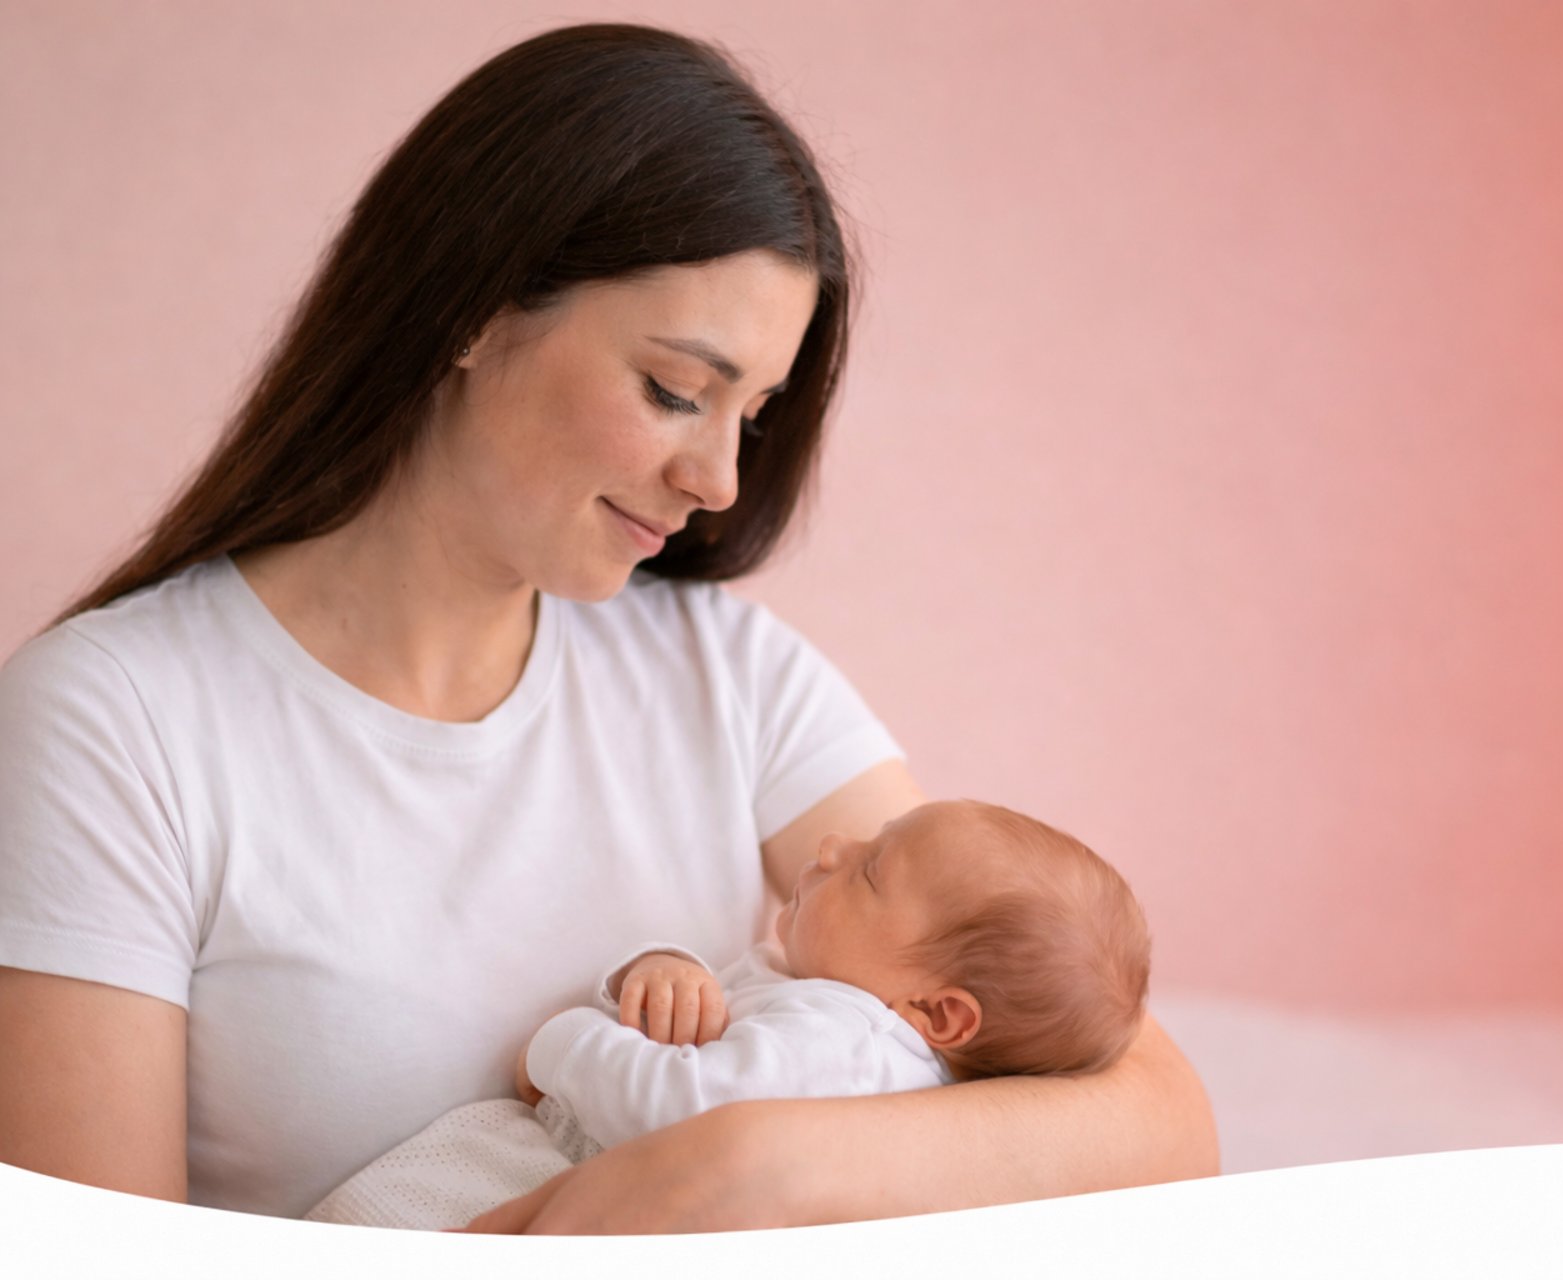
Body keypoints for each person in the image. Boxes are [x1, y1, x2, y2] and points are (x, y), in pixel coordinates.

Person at [0, 23, 1216, 1232]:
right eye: (676, 391)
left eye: (755, 411)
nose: (723, 481)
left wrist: (731, 1167)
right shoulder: (114, 721)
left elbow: (1150, 1115)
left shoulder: (730, 677)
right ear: (470, 310)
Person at [305, 800, 1152, 1230]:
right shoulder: (829, 1006)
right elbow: (714, 1024)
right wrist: (662, 973)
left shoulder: (851, 1042)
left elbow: (682, 1112)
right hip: (569, 1181)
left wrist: (566, 1043)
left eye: (867, 873)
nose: (830, 848)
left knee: (384, 1221)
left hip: (547, 1179)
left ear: (938, 1012)